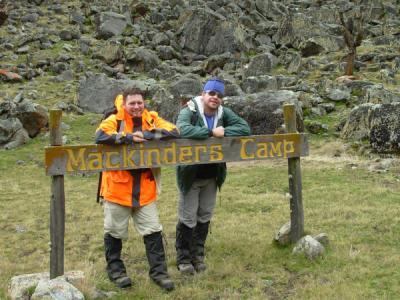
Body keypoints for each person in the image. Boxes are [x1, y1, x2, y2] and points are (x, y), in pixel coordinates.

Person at [95, 87, 179, 291]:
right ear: (124, 104)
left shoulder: (151, 118)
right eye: (132, 103)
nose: (136, 107)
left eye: (139, 103)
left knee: (153, 230)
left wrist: (148, 135)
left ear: (144, 103)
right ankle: (116, 271)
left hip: (145, 189)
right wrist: (128, 138)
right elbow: (100, 135)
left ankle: (159, 273)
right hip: (117, 189)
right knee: (114, 232)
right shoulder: (115, 119)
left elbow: (174, 131)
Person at [175, 78, 251, 275]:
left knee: (204, 215)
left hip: (212, 176)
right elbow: (182, 129)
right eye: (212, 93)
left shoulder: (223, 113)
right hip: (191, 175)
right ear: (203, 94)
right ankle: (184, 259)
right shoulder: (189, 111)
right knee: (188, 217)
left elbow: (244, 128)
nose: (215, 98)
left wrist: (224, 131)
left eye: (219, 95)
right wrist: (210, 132)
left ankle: (197, 255)